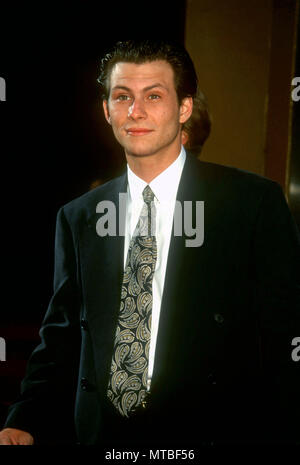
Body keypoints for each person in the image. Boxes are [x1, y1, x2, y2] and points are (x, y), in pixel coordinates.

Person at [0, 39, 299, 446]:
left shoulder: (250, 204)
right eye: (122, 97)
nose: (135, 111)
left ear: (184, 108)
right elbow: (62, 332)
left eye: (154, 96)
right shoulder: (79, 216)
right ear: (107, 111)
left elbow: (285, 332)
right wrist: (25, 415)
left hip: (210, 432)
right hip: (104, 436)